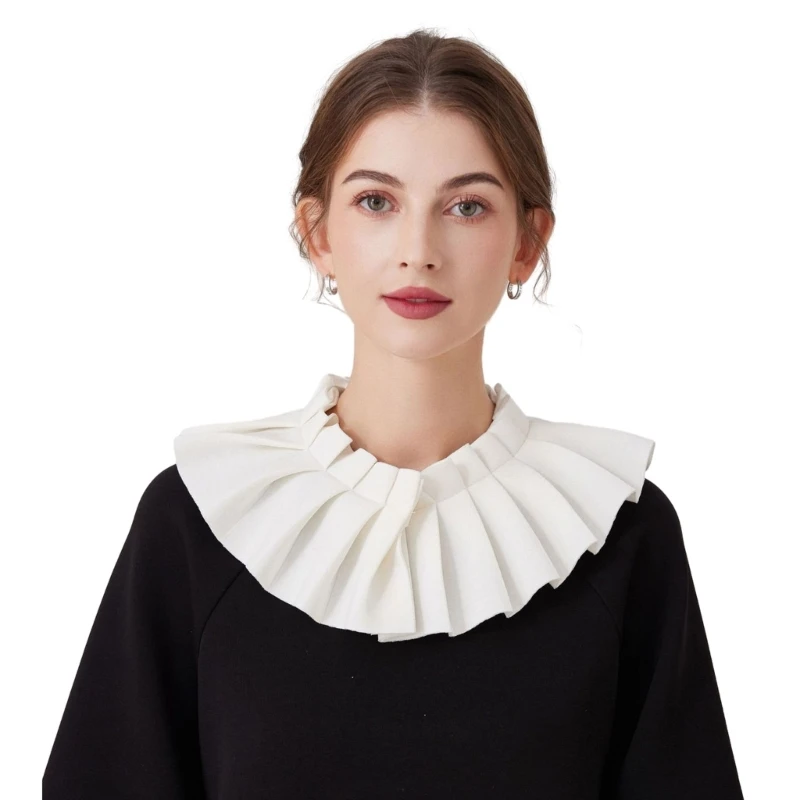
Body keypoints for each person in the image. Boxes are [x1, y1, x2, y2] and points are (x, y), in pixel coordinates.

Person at [43, 27, 745, 799]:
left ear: (527, 242)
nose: (418, 249)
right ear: (317, 233)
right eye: (376, 201)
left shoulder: (617, 535)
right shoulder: (197, 521)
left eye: (467, 206)